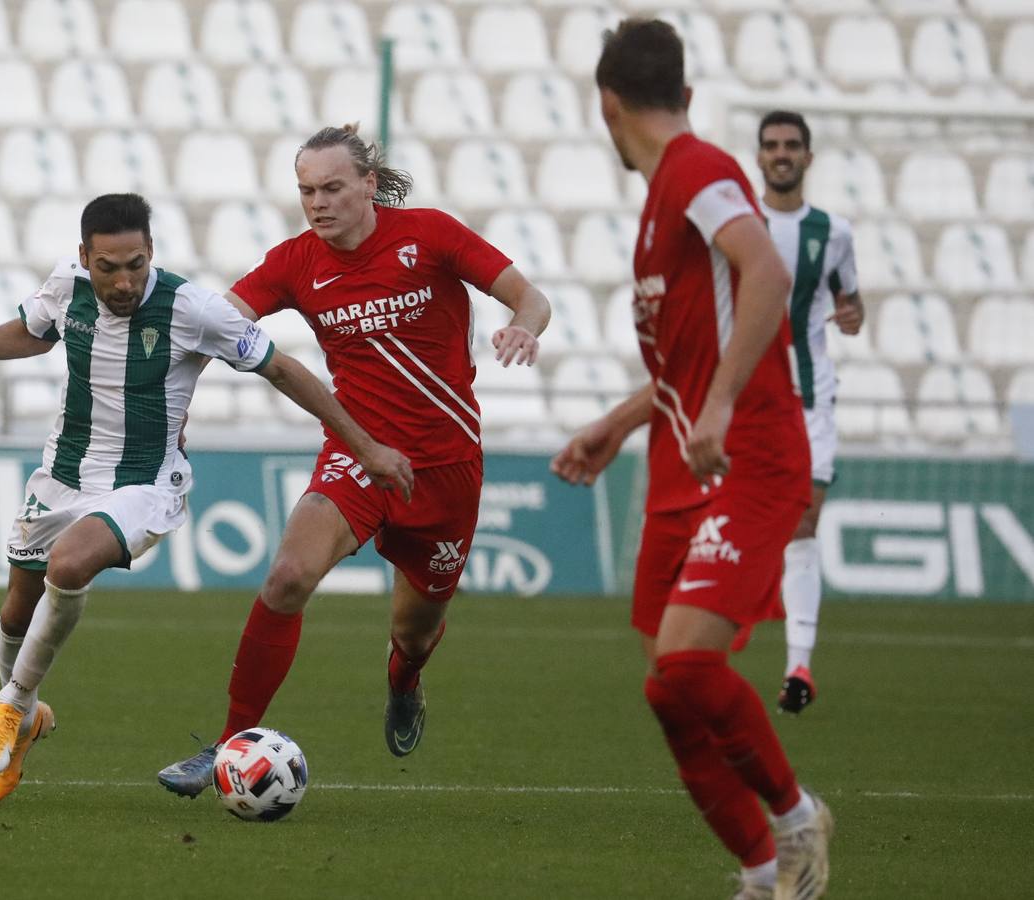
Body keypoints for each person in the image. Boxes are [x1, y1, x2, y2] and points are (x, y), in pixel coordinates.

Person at [0, 193, 412, 805]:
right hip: (61, 475)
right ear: (85, 258)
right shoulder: (66, 286)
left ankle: (12, 703)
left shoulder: (192, 307)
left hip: (145, 483)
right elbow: (29, 333)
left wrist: (364, 446)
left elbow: (282, 369)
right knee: (16, 612)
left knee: (70, 565)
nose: (124, 280)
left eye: (135, 263)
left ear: (150, 251)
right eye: (108, 267)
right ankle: (24, 724)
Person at [157, 124, 551, 795]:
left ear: (369, 183)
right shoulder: (294, 263)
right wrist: (174, 410)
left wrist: (523, 326)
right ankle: (228, 744)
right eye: (306, 190)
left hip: (446, 469)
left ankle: (405, 681)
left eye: (333, 187)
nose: (318, 202)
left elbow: (530, 297)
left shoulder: (430, 235)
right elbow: (208, 329)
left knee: (414, 635)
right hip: (360, 455)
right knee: (286, 577)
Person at [549, 20, 832, 900]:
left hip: (746, 457)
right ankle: (758, 873)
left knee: (687, 666)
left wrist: (715, 406)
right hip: (682, 461)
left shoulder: (699, 171)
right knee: (668, 691)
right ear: (687, 94)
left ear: (606, 103)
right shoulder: (668, 188)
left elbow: (768, 275)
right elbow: (688, 356)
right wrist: (624, 421)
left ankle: (796, 822)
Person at [756, 110, 864, 714]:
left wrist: (854, 315)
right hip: (750, 396)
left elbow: (852, 302)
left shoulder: (835, 232)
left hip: (811, 393)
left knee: (804, 521)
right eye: (772, 145)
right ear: (759, 156)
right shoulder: (741, 225)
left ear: (808, 156)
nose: (782, 153)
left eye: (792, 145)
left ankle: (799, 664)